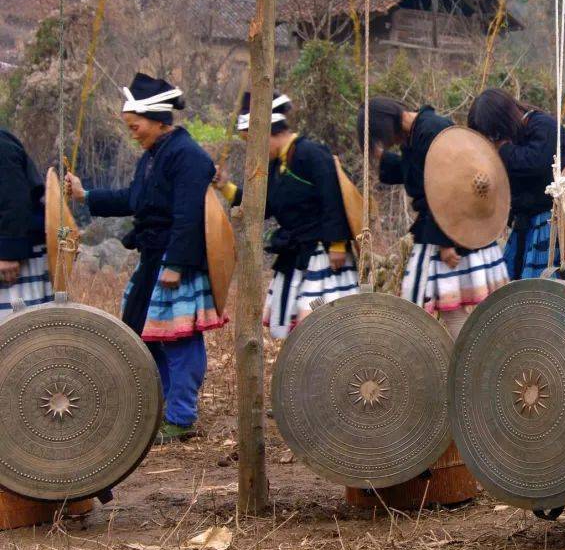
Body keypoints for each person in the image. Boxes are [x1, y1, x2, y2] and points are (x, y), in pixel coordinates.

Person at [66, 73, 225, 443]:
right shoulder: (153, 157)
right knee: (142, 331)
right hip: (154, 255)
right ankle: (161, 405)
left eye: (135, 126)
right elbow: (133, 199)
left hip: (177, 259)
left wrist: (176, 265)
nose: (133, 133)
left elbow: (188, 215)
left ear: (158, 121)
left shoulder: (188, 157)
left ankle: (181, 416)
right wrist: (87, 196)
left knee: (179, 336)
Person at [214, 92, 358, 339]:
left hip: (324, 254)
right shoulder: (275, 166)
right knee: (297, 332)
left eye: (252, 141)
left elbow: (333, 196)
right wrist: (225, 187)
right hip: (294, 254)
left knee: (319, 324)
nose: (251, 149)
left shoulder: (310, 153)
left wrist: (337, 243)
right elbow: (264, 205)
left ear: (268, 132)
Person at [368, 97, 509, 338]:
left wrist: (446, 241)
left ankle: (474, 362)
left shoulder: (431, 130)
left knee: (451, 308)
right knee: (438, 305)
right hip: (438, 228)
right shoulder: (415, 134)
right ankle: (473, 361)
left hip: (452, 230)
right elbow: (413, 173)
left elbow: (449, 186)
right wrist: (380, 157)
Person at [467, 88, 565, 280]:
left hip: (548, 223)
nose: (493, 139)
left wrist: (502, 148)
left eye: (492, 133)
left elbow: (534, 165)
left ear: (501, 121)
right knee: (515, 287)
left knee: (539, 289)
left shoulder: (544, 126)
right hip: (525, 222)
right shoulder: (517, 135)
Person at [0, 128, 52, 322]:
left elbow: (14, 197)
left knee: (22, 330)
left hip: (15, 257)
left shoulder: (1, 145)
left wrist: (8, 252)